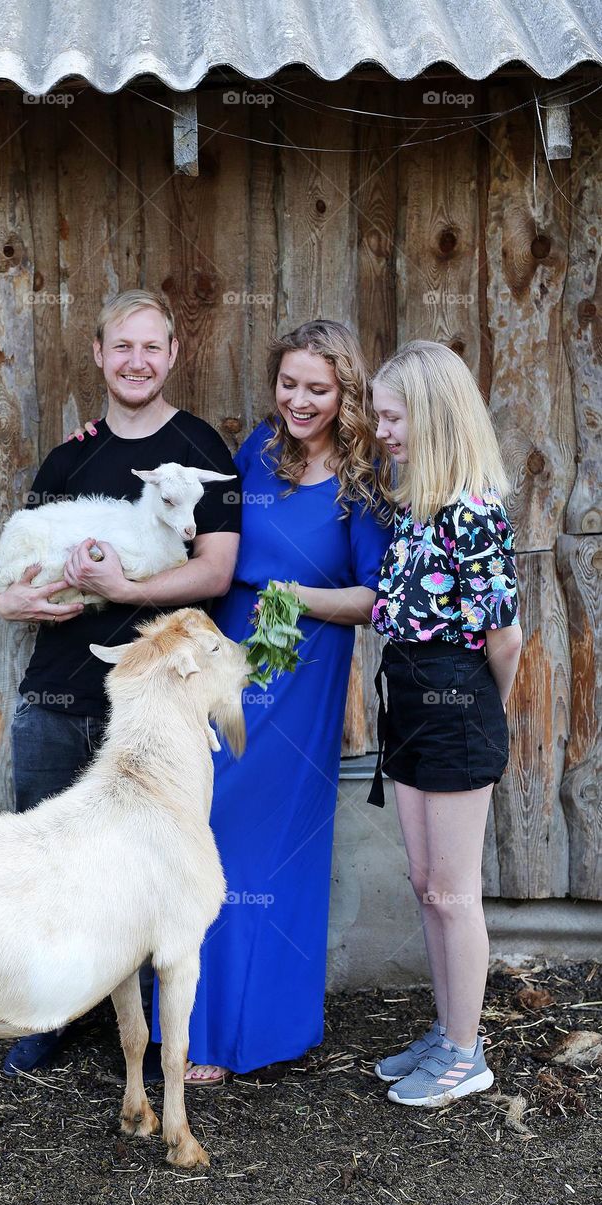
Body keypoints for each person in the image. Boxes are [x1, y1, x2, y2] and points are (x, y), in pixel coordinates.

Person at [0, 288, 241, 1075]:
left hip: (153, 697)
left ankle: (141, 1023)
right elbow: (15, 578)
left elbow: (217, 569)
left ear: (172, 355)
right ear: (99, 355)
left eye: (152, 347)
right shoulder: (69, 458)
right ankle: (42, 1013)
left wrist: (127, 593)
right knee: (41, 851)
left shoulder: (204, 453)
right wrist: (12, 598)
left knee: (147, 861)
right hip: (57, 691)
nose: (137, 361)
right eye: (121, 347)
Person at [159, 319, 393, 1083]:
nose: (298, 400)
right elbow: (211, 542)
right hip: (225, 661)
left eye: (316, 389)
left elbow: (373, 598)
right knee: (203, 828)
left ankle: (246, 1036)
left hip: (302, 670)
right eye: (287, 385)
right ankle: (186, 1022)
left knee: (263, 847)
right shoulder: (255, 452)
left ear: (344, 393)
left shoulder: (360, 484)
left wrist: (297, 594)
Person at [368, 339, 522, 1106]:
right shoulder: (413, 507)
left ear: (430, 416)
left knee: (455, 892)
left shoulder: (473, 511)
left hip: (458, 707)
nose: (382, 430)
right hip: (411, 702)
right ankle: (448, 1028)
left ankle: (468, 1055)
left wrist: (480, 712)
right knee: (426, 884)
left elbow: (503, 637)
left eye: (393, 416)